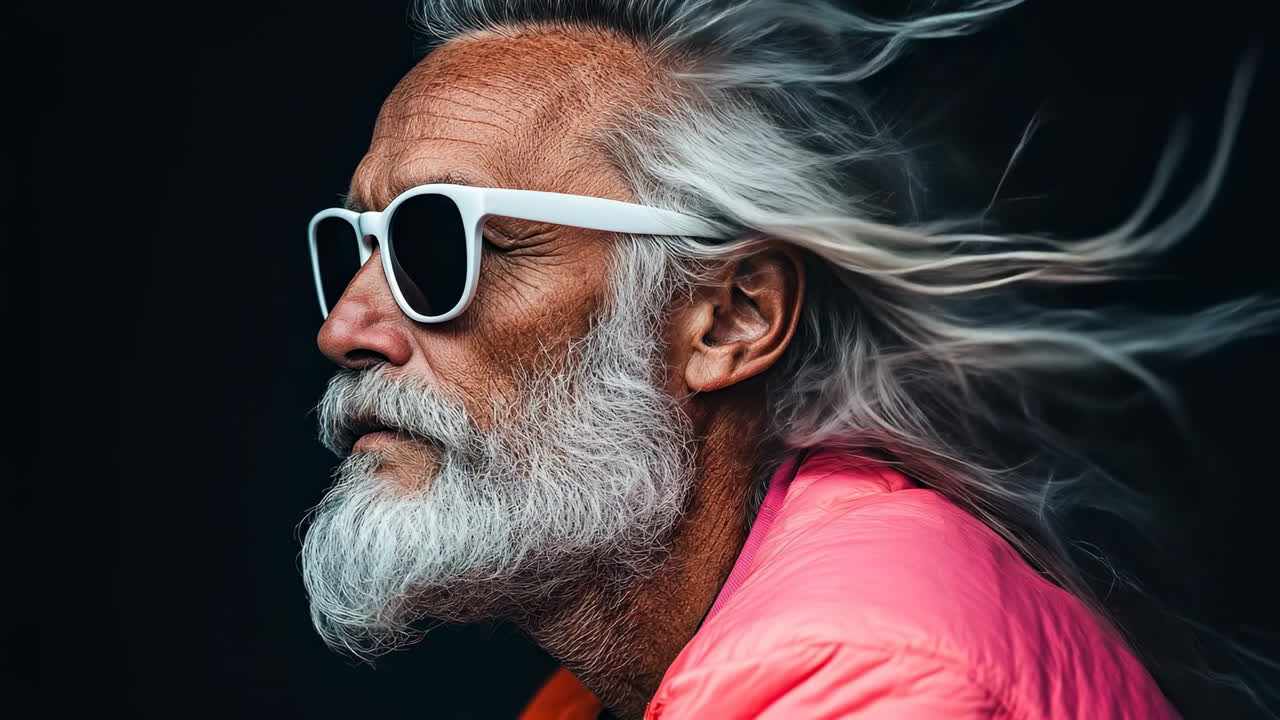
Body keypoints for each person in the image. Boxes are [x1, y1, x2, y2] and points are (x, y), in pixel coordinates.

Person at [299, 1, 1274, 718]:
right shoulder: (606, 690)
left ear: (727, 319)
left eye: (441, 247)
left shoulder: (863, 672)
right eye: (359, 244)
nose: (346, 327)